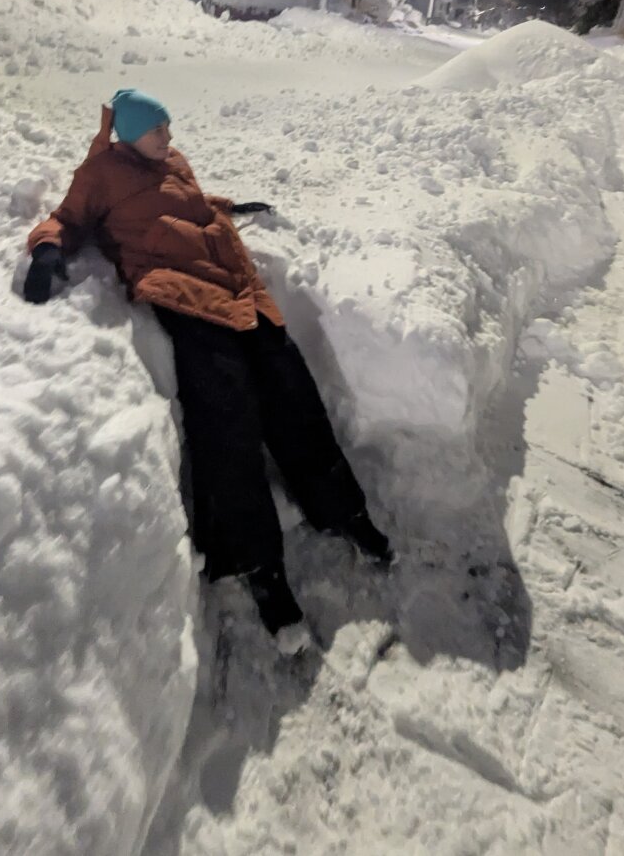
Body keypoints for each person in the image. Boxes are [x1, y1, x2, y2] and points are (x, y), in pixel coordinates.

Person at [23, 88, 391, 653]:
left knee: (289, 384)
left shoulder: (171, 160)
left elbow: (186, 203)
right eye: (158, 130)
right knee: (227, 413)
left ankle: (342, 509)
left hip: (232, 282)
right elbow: (66, 219)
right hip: (178, 292)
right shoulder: (102, 172)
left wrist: (224, 208)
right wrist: (48, 250)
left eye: (168, 128)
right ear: (130, 135)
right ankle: (257, 564)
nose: (169, 137)